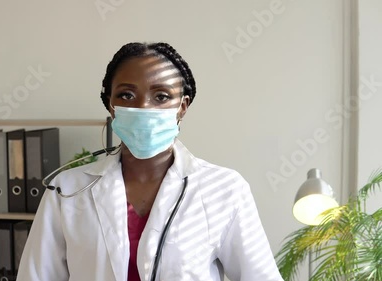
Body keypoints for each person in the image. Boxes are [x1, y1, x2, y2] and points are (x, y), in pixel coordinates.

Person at [17, 42, 284, 281]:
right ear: (111, 104)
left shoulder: (224, 189)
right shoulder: (67, 190)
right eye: (127, 95)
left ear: (182, 106)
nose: (143, 107)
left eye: (161, 96)